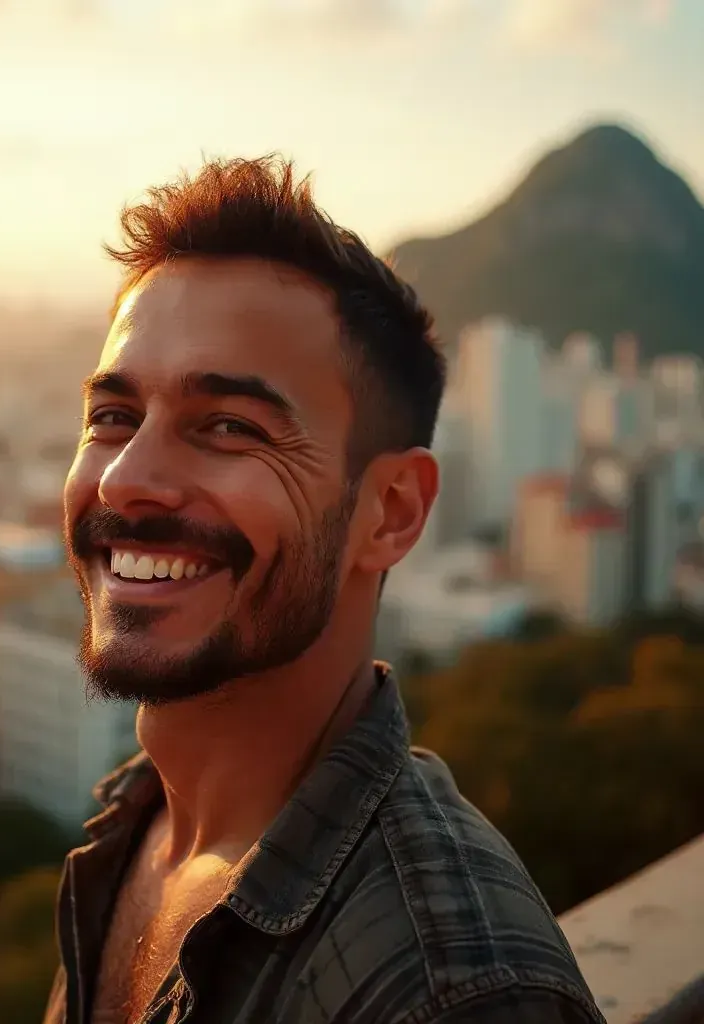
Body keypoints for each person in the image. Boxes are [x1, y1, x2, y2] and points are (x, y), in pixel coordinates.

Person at [45, 156, 605, 1024]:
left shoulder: (448, 994)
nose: (124, 482)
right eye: (112, 418)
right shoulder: (130, 829)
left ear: (389, 512)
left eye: (230, 427)